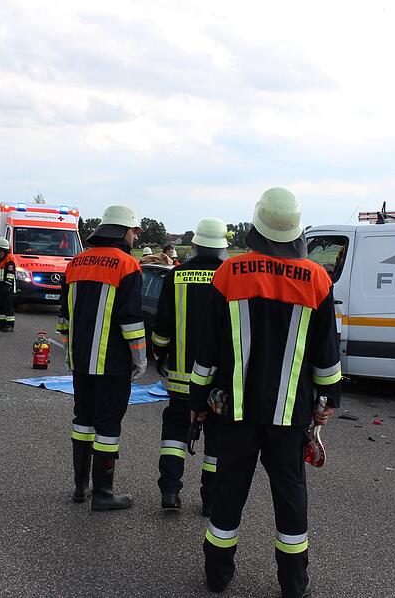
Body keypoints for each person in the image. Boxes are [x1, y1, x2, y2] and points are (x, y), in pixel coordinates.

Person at [190, 188, 341, 597]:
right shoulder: (317, 279)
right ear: (296, 231)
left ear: (256, 226)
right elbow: (326, 355)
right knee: (290, 497)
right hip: (290, 415)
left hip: (235, 410)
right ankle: (293, 583)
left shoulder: (229, 273)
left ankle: (217, 575)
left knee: (228, 493)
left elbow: (207, 348)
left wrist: (198, 400)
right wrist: (327, 400)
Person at [57, 205, 147, 511]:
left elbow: (64, 317)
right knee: (108, 425)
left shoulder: (76, 262)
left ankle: (80, 487)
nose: (136, 237)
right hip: (112, 362)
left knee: (83, 420)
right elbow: (131, 319)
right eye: (134, 231)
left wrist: (70, 352)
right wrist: (140, 357)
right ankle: (103, 493)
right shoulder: (127, 265)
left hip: (81, 360)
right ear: (123, 231)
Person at [151, 217, 229, 512]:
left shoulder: (176, 275)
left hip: (182, 376)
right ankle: (211, 500)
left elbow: (162, 327)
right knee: (218, 440)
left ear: (195, 245)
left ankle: (170, 491)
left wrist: (159, 356)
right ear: (222, 248)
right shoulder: (230, 277)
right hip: (220, 381)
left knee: (175, 431)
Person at [0, 237, 17, 332]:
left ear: (2, 249)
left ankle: (10, 325)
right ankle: (2, 323)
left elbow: (10, 274)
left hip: (7, 287)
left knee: (8, 306)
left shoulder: (9, 259)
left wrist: (7, 286)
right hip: (1, 285)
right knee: (1, 305)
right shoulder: (0, 258)